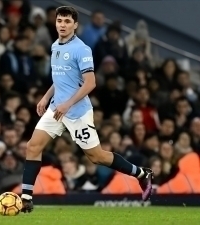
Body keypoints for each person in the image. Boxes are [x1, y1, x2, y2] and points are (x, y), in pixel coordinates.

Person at [20, 6, 153, 213]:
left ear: (75, 25)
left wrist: (67, 103)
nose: (62, 25)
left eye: (67, 21)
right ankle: (26, 197)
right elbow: (61, 79)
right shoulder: (55, 45)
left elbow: (90, 83)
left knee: (96, 156)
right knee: (33, 146)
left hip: (76, 112)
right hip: (56, 109)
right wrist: (46, 97)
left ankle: (142, 174)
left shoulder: (82, 49)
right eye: (59, 21)